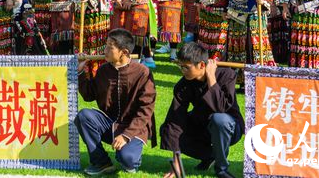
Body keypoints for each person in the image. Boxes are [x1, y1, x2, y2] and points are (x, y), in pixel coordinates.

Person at [76, 28, 156, 175]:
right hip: (110, 123)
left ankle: (131, 156)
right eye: (105, 46)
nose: (104, 50)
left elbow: (146, 111)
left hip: (134, 127)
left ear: (124, 52)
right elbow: (88, 95)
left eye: (109, 47)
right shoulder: (104, 70)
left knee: (127, 160)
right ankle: (101, 162)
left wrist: (126, 135)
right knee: (84, 116)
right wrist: (81, 72)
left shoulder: (142, 72)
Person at [160, 42, 243, 178]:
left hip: (229, 126)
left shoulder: (226, 75)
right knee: (168, 128)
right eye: (180, 66)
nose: (182, 71)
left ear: (202, 65)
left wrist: (211, 77)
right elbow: (175, 120)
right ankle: (210, 156)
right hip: (203, 125)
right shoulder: (183, 85)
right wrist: (176, 164)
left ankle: (221, 169)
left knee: (219, 119)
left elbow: (221, 108)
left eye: (186, 67)